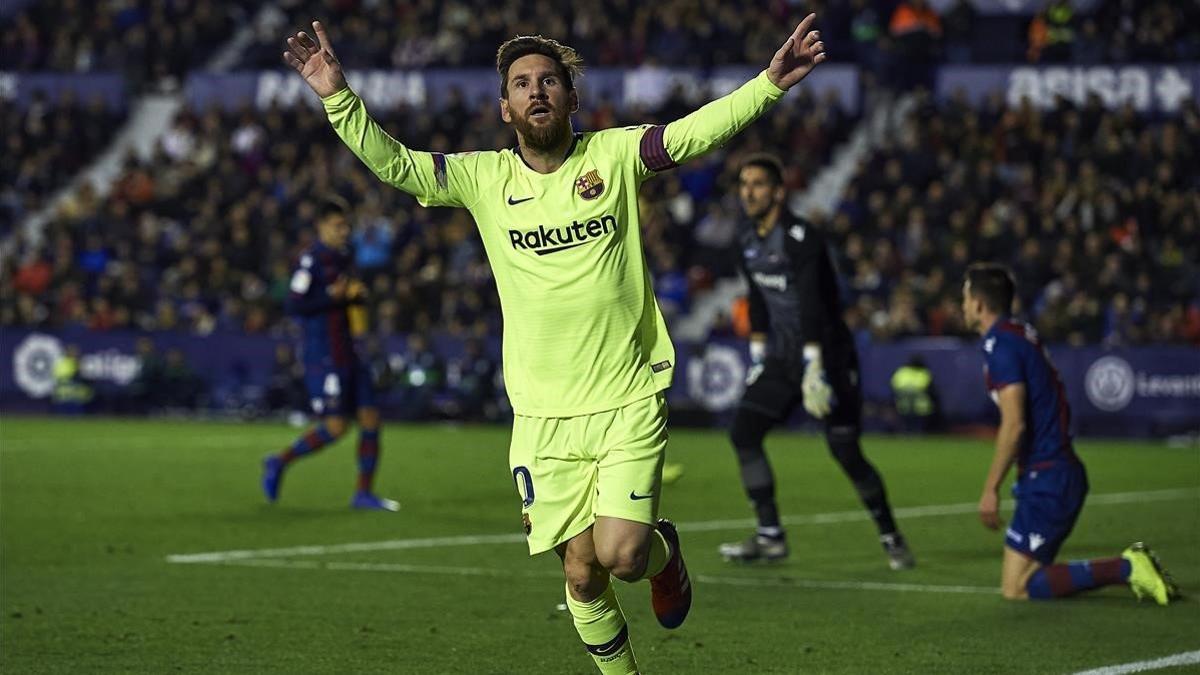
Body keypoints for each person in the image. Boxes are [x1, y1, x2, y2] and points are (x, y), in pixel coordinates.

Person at [283, 15, 827, 673]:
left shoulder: (615, 155)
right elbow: (398, 165)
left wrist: (770, 83)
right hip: (541, 416)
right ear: (504, 106)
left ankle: (662, 555)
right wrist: (337, 97)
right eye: (521, 83)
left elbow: (694, 132)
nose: (536, 91)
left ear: (572, 97)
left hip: (625, 396)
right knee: (581, 573)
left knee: (623, 554)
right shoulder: (482, 177)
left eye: (549, 81)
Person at [718, 154, 915, 570]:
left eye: (757, 184)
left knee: (845, 450)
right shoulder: (745, 237)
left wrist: (814, 364)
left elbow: (814, 303)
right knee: (744, 433)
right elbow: (756, 297)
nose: (747, 192)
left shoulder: (801, 236)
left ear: (778, 192)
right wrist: (757, 355)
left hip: (827, 356)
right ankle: (770, 536)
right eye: (743, 184)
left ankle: (891, 536)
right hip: (782, 357)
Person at [961, 262, 1178, 603]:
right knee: (1020, 582)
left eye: (964, 298)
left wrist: (991, 488)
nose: (962, 306)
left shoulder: (1001, 346)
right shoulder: (1017, 334)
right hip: (1049, 471)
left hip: (1049, 476)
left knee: (1016, 587)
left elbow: (1014, 423)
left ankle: (1126, 567)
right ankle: (1125, 567)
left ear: (977, 304)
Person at [260, 196, 399, 512]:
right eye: (338, 226)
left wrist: (355, 299)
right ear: (321, 226)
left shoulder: (345, 257)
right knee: (337, 427)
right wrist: (330, 296)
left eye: (347, 225)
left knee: (370, 417)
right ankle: (278, 461)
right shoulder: (311, 260)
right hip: (324, 354)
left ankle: (363, 493)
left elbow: (345, 300)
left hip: (350, 349)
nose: (344, 231)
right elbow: (293, 304)